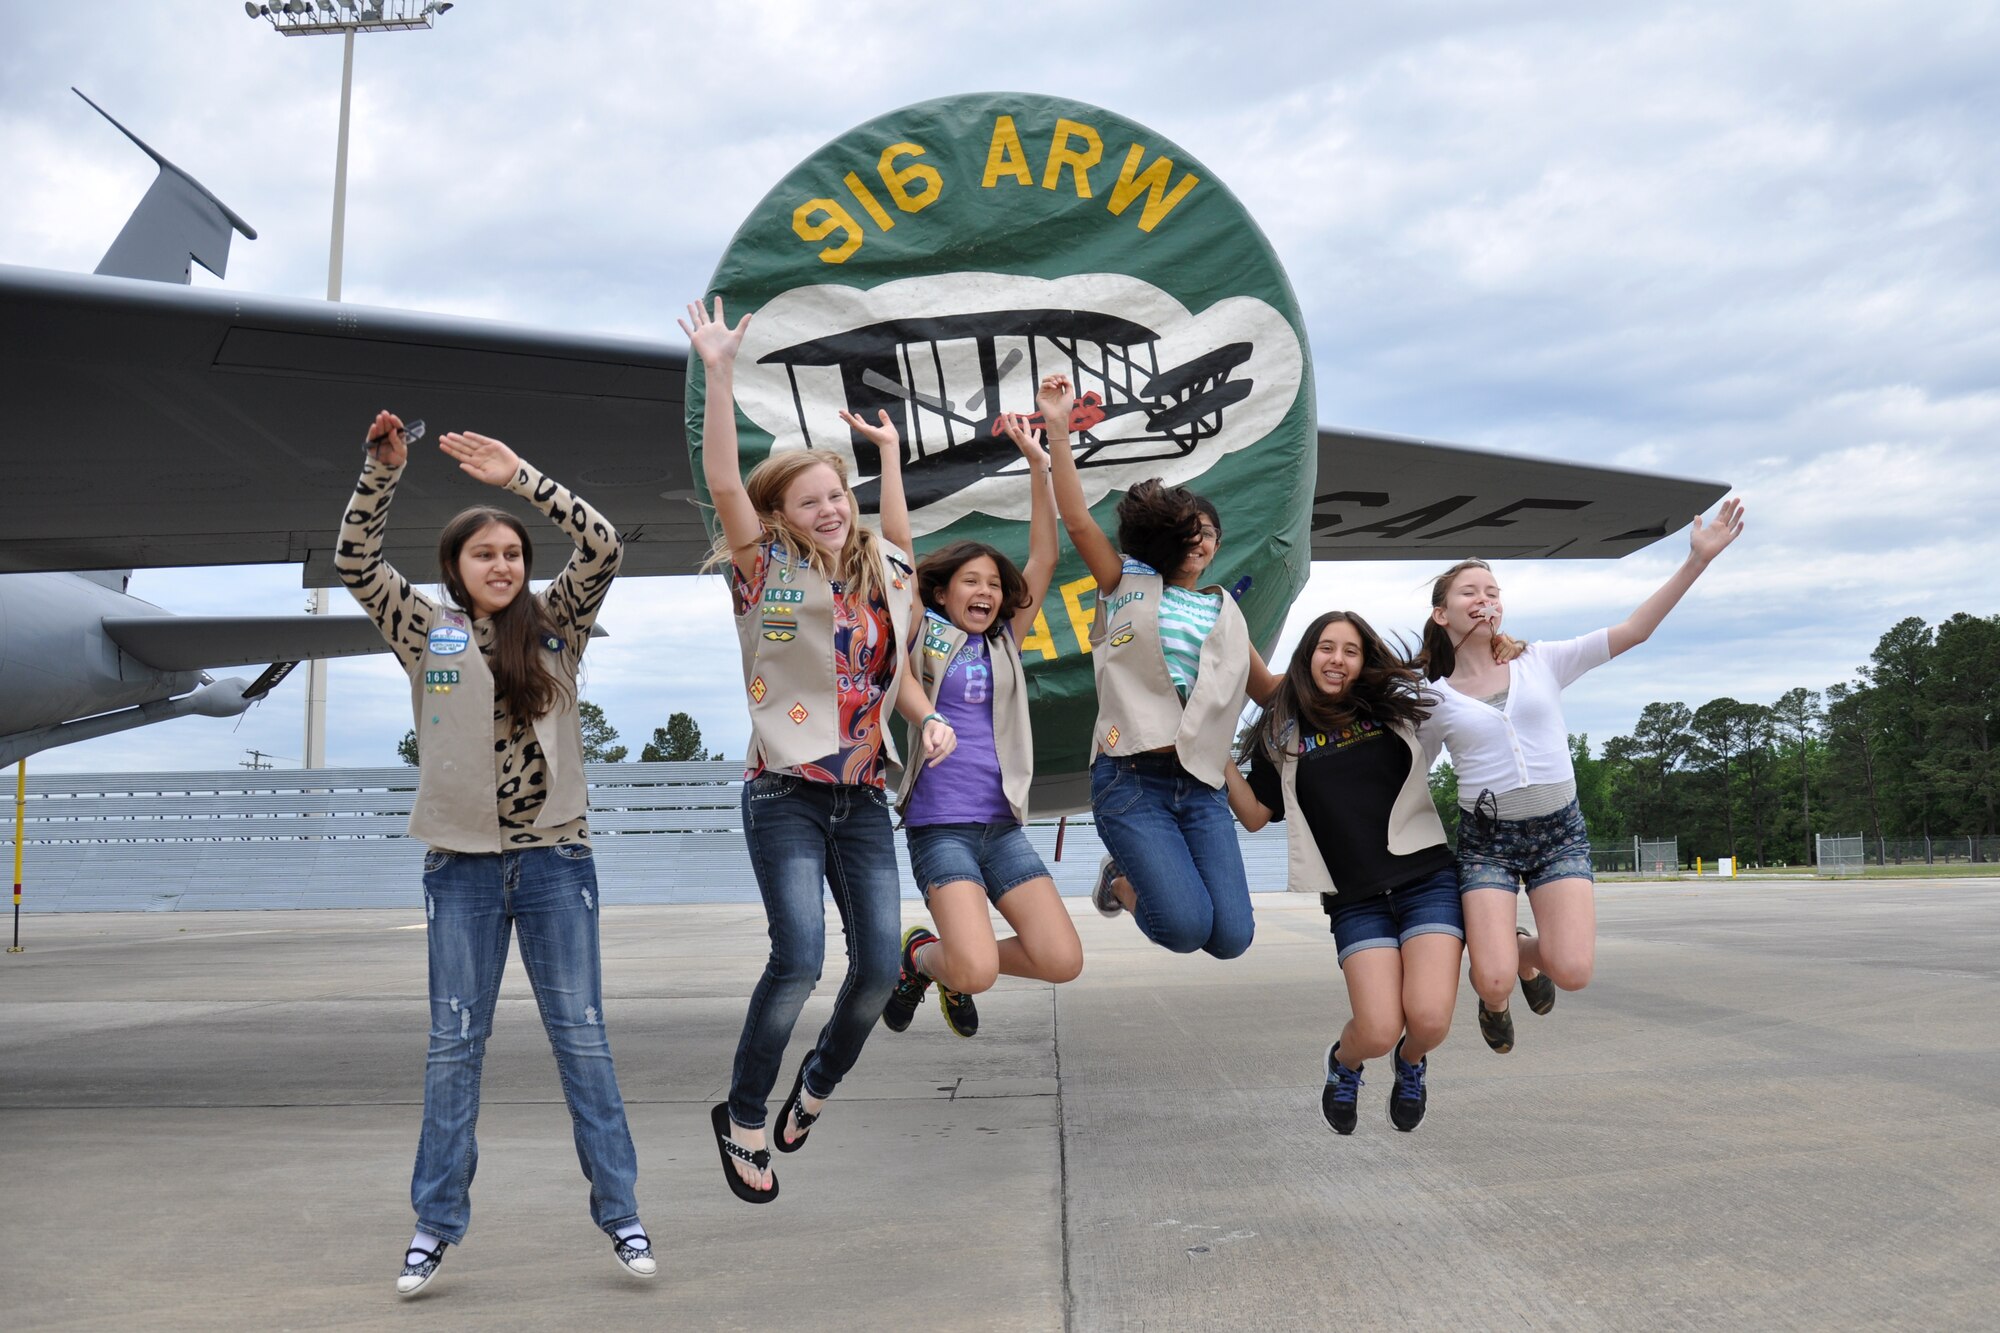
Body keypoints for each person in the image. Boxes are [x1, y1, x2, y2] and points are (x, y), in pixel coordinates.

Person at [335, 411, 654, 1297]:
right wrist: (382, 472)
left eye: (513, 552)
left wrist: (522, 481)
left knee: (583, 1040)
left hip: (556, 862)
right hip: (461, 865)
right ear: (456, 569)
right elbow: (355, 563)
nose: (504, 564)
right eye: (485, 555)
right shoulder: (423, 630)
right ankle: (435, 1224)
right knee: (453, 1044)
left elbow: (600, 546)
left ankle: (621, 1212)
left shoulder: (558, 625)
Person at [682, 297, 953, 1203]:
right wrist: (720, 372)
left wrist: (885, 462)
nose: (831, 510)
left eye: (838, 497)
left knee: (879, 964)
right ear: (782, 514)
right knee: (797, 956)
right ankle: (745, 1112)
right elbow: (725, 482)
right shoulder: (767, 575)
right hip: (786, 794)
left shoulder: (885, 575)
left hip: (862, 796)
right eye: (812, 501)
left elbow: (905, 577)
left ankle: (820, 1082)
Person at [1417, 499, 1747, 1054]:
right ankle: (1498, 987)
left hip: (1558, 832)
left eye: (1492, 591)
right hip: (1486, 842)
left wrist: (1697, 561)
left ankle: (1522, 951)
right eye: (1469, 592)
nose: (1484, 600)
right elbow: (1411, 776)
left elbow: (1635, 630)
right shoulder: (1431, 697)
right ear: (1441, 614)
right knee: (1489, 978)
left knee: (1572, 971)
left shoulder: (1542, 660)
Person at [1042, 375, 1277, 959]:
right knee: (1181, 929)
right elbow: (1075, 521)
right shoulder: (1125, 583)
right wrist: (1056, 426)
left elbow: (1271, 690)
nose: (1201, 542)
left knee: (1231, 939)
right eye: (1189, 533)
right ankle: (1120, 881)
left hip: (1200, 786)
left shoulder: (1224, 611)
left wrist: (1364, 678)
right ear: (1162, 539)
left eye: (1210, 535)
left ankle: (1135, 879)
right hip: (1132, 779)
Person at [882, 398, 1084, 1039]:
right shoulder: (922, 633)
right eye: (972, 581)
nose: (987, 592)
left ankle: (939, 961)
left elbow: (1045, 558)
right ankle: (925, 956)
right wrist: (890, 456)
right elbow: (899, 552)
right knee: (974, 972)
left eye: (995, 584)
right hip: (940, 827)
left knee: (1062, 960)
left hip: (1001, 829)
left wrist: (1038, 463)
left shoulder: (1003, 643)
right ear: (943, 592)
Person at [1225, 612, 1463, 1134]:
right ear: (1308, 656)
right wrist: (1217, 754)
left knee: (1427, 1021)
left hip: (1427, 879)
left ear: (1363, 661)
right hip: (1356, 898)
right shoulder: (1282, 731)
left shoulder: (1389, 707)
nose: (1337, 659)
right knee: (1377, 1029)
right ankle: (1345, 1065)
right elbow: (1255, 814)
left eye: (1350, 650)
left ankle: (1412, 1064)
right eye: (1326, 648)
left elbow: (1453, 668)